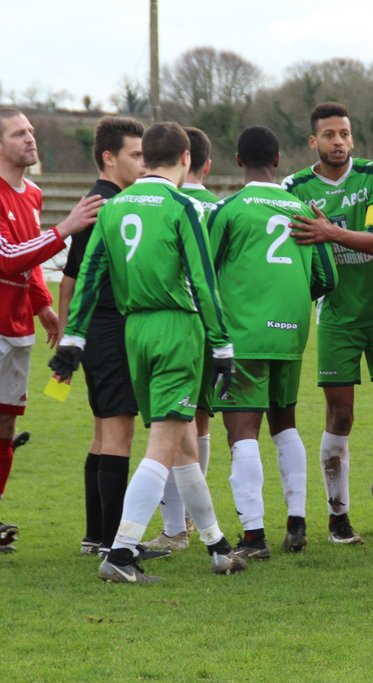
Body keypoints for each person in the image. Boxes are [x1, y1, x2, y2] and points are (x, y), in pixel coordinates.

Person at [51, 122, 247, 583]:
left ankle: (217, 545)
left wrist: (73, 339)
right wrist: (222, 344)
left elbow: (89, 274)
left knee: (182, 445)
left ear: (146, 158)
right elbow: (202, 281)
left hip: (133, 331)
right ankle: (120, 553)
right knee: (164, 445)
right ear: (185, 157)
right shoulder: (182, 206)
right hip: (175, 329)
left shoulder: (115, 207)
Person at [205, 125, 336, 559]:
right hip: (291, 333)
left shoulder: (228, 209)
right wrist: (289, 299)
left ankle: (254, 537)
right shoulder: (303, 209)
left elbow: (205, 272)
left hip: (244, 335)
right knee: (286, 423)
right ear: (278, 161)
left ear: (238, 160)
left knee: (242, 431)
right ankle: (296, 522)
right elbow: (327, 278)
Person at [283, 102, 373, 545]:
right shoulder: (294, 187)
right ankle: (338, 519)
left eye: (345, 134)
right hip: (336, 317)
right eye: (329, 135)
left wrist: (330, 233)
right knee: (340, 416)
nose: (339, 142)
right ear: (313, 141)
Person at [0, 107, 104, 552]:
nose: (30, 138)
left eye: (30, 130)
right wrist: (66, 229)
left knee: (6, 425)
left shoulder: (33, 194)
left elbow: (29, 256)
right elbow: (7, 257)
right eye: (18, 133)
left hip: (17, 326)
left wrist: (42, 304)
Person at [58, 116, 146, 557]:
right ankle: (116, 544)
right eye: (136, 155)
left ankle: (96, 536)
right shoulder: (107, 206)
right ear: (109, 158)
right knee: (118, 435)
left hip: (95, 331)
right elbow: (74, 277)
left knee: (102, 433)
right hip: (110, 330)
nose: (144, 164)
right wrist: (68, 335)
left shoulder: (99, 200)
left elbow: (70, 277)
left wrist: (69, 335)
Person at [148, 126, 221, 552]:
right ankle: (191, 519)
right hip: (212, 328)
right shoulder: (220, 207)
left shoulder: (165, 205)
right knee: (200, 421)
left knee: (171, 424)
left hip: (174, 327)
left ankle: (175, 527)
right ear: (202, 163)